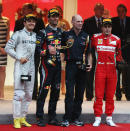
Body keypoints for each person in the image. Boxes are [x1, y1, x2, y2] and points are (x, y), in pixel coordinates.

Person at [5, 14, 37, 128]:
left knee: (28, 94)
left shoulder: (35, 36)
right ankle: (16, 119)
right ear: (24, 23)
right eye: (29, 21)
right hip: (20, 67)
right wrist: (19, 57)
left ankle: (23, 118)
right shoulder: (18, 34)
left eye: (33, 21)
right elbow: (7, 48)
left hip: (31, 68)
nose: (31, 23)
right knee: (19, 94)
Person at [60, 14, 92, 127]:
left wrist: (90, 65)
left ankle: (76, 118)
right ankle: (66, 118)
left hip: (82, 68)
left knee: (79, 94)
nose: (80, 23)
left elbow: (89, 53)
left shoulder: (86, 36)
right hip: (70, 66)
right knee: (69, 93)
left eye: (81, 21)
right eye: (78, 21)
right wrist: (61, 63)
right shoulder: (66, 35)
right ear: (72, 22)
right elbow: (62, 51)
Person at [92, 18, 123, 127]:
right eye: (105, 26)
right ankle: (97, 117)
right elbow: (90, 53)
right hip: (99, 69)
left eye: (109, 26)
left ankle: (109, 117)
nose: (107, 28)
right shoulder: (95, 38)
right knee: (99, 95)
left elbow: (119, 56)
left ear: (111, 27)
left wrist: (120, 63)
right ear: (101, 27)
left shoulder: (117, 39)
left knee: (110, 96)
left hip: (112, 70)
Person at [36, 8, 63, 127]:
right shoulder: (42, 32)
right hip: (46, 67)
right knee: (44, 91)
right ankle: (40, 117)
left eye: (57, 16)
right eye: (52, 16)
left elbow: (67, 46)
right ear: (48, 18)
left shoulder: (61, 32)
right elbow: (37, 50)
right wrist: (47, 51)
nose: (55, 18)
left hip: (58, 67)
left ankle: (52, 117)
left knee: (56, 92)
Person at [14, 3, 45, 100]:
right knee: (24, 72)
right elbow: (15, 37)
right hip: (23, 52)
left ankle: (31, 93)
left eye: (24, 9)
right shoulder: (19, 21)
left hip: (35, 51)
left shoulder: (39, 21)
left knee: (32, 71)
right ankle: (26, 93)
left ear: (29, 10)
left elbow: (42, 35)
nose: (22, 11)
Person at [82, 3, 104, 101]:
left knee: (102, 74)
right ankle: (89, 95)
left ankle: (101, 95)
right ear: (94, 10)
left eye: (102, 9)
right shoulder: (87, 22)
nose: (101, 10)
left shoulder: (106, 21)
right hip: (90, 51)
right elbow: (84, 36)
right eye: (99, 9)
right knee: (89, 73)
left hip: (103, 51)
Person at [112, 4, 130, 101]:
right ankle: (118, 95)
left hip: (128, 52)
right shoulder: (113, 21)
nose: (120, 13)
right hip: (117, 51)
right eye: (118, 11)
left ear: (125, 12)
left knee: (128, 76)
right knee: (116, 76)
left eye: (122, 11)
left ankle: (128, 95)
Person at [0, 3, 10, 99]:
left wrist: (7, 46)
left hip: (4, 48)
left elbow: (7, 35)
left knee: (3, 69)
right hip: (1, 48)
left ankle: (1, 93)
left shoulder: (6, 20)